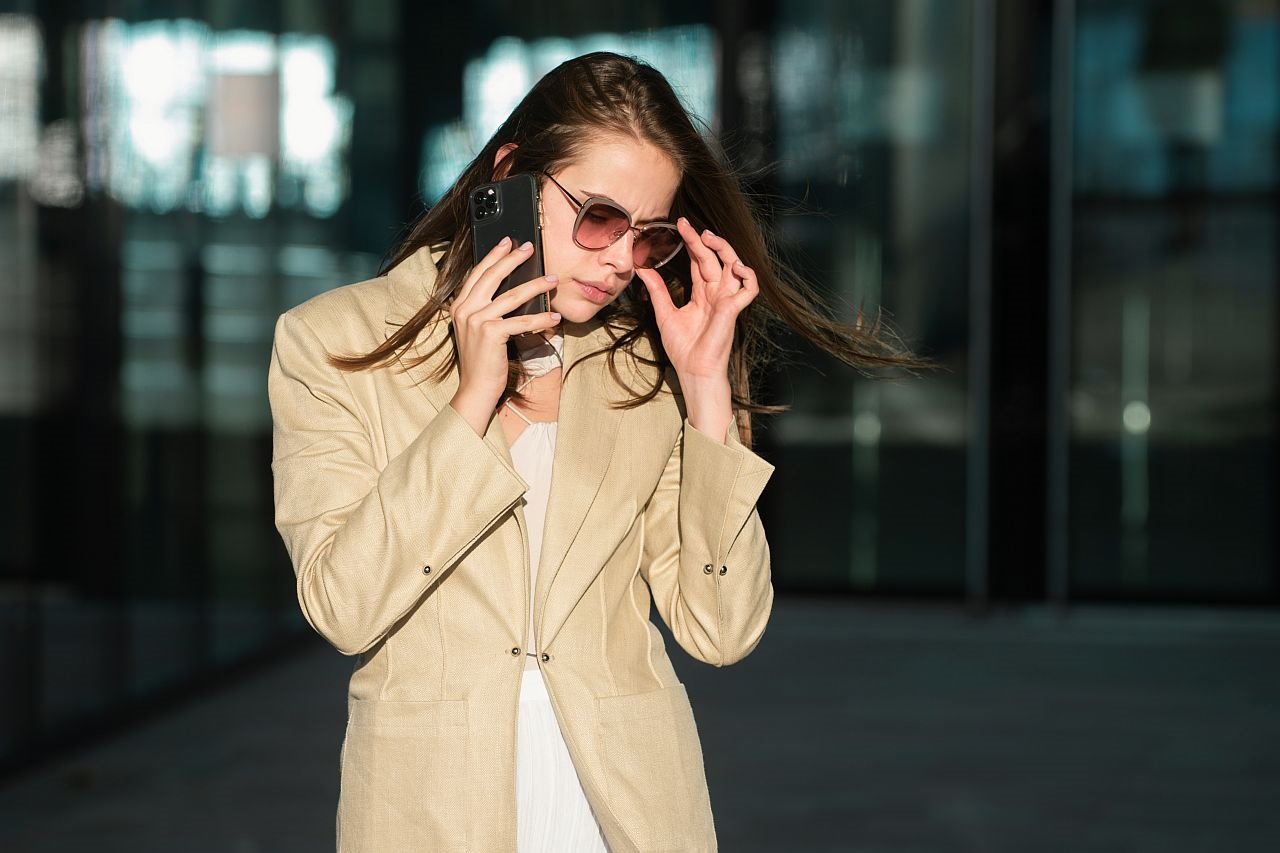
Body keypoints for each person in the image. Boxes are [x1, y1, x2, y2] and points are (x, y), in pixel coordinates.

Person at [268, 51, 926, 853]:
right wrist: (475, 401)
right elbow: (343, 606)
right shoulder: (334, 343)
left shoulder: (642, 364)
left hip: (628, 812)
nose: (621, 259)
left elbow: (721, 628)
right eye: (601, 218)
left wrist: (706, 393)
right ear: (510, 175)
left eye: (648, 237)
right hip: (429, 810)